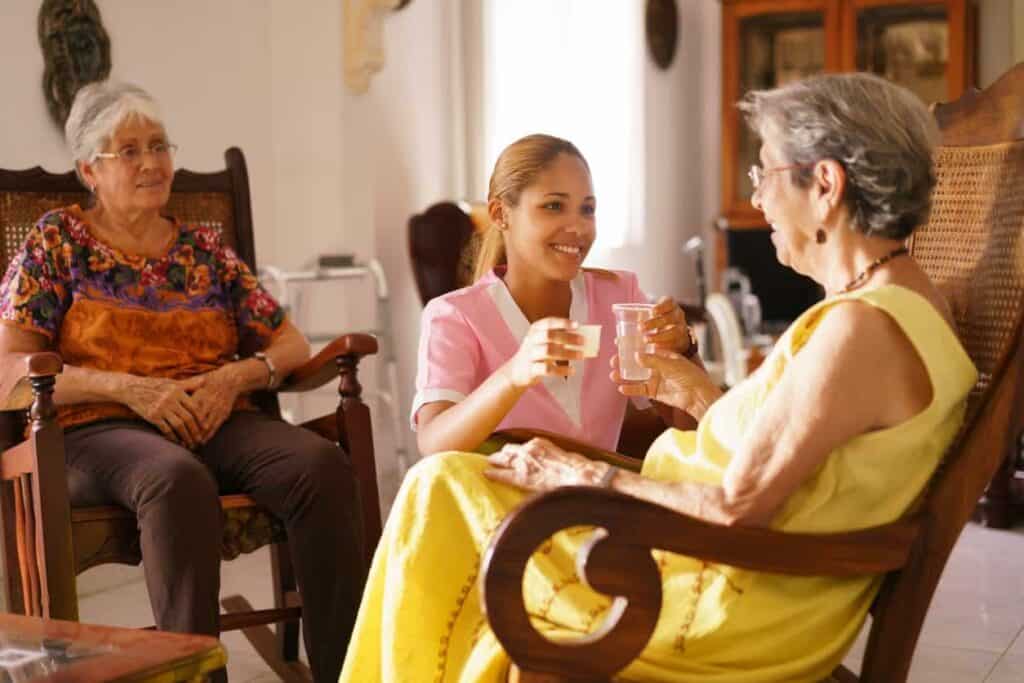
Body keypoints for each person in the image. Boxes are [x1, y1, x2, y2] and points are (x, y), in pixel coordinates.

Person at [340, 73, 978, 682]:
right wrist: (694, 391)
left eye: (766, 173)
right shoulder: (891, 306)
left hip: (720, 599)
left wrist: (586, 476)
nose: (756, 197)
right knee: (446, 479)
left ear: (827, 185)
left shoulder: (860, 329)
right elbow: (792, 451)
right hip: (716, 564)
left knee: (440, 488)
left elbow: (734, 506)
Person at [0, 80, 363, 683]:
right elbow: (10, 371)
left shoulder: (203, 249)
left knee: (319, 466)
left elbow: (290, 341)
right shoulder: (53, 243)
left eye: (160, 145)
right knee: (175, 479)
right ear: (90, 169)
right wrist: (129, 388)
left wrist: (234, 378)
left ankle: (349, 671)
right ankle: (195, 676)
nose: (152, 162)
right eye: (131, 150)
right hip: (99, 430)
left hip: (216, 415)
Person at [413, 133, 694, 456]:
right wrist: (514, 374)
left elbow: (692, 430)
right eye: (554, 206)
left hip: (594, 500)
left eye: (587, 210)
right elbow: (433, 445)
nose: (577, 227)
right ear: (501, 214)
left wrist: (684, 352)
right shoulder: (454, 315)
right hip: (502, 504)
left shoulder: (620, 295)